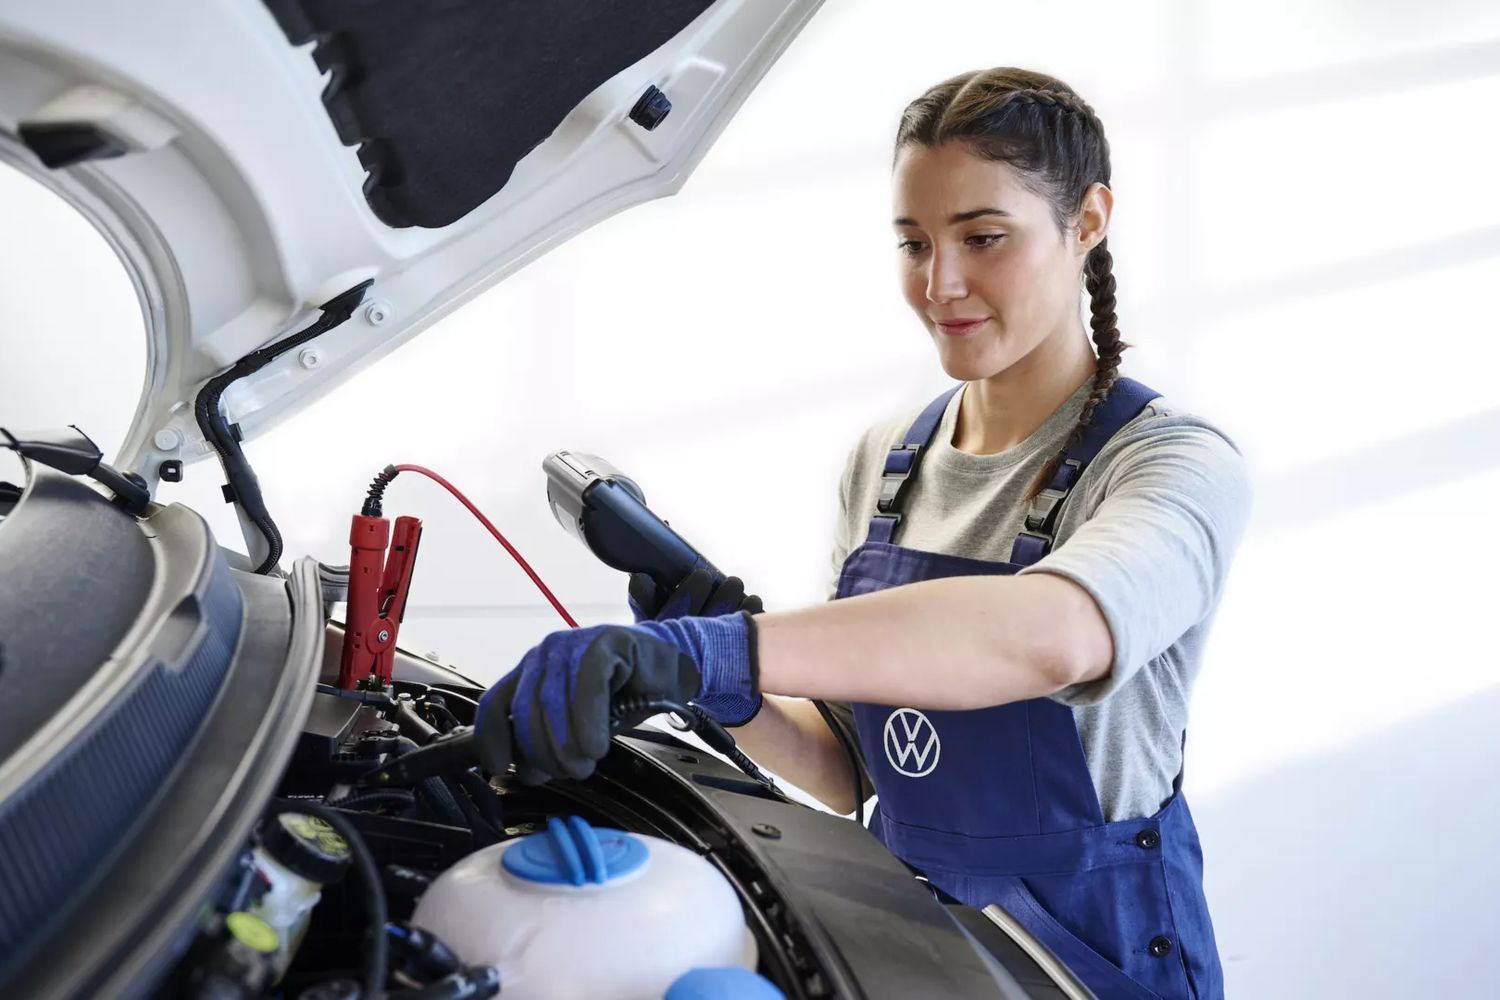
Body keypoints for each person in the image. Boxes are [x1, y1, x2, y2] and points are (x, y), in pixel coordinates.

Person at [475, 67, 1250, 1000]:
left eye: (983, 237)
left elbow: (1053, 638)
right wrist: (730, 688)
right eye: (914, 242)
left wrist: (719, 648)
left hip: (1090, 966)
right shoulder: (888, 463)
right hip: (911, 946)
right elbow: (850, 769)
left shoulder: (1170, 462)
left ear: (1087, 220)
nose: (940, 284)